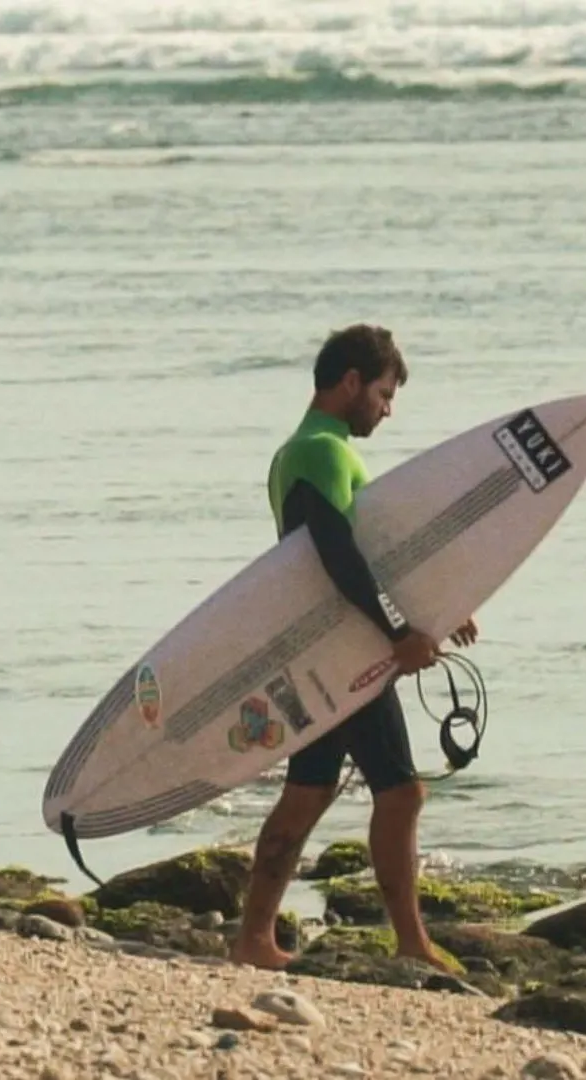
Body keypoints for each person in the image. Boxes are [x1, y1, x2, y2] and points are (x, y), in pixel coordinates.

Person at [229, 323, 477, 972]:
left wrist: (435, 612)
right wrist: (398, 634)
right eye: (385, 393)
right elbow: (336, 556)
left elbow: (367, 553)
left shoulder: (304, 449)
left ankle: (256, 938)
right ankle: (409, 942)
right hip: (346, 651)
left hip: (327, 647)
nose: (388, 409)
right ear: (350, 383)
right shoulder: (322, 452)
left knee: (310, 793)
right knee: (400, 793)